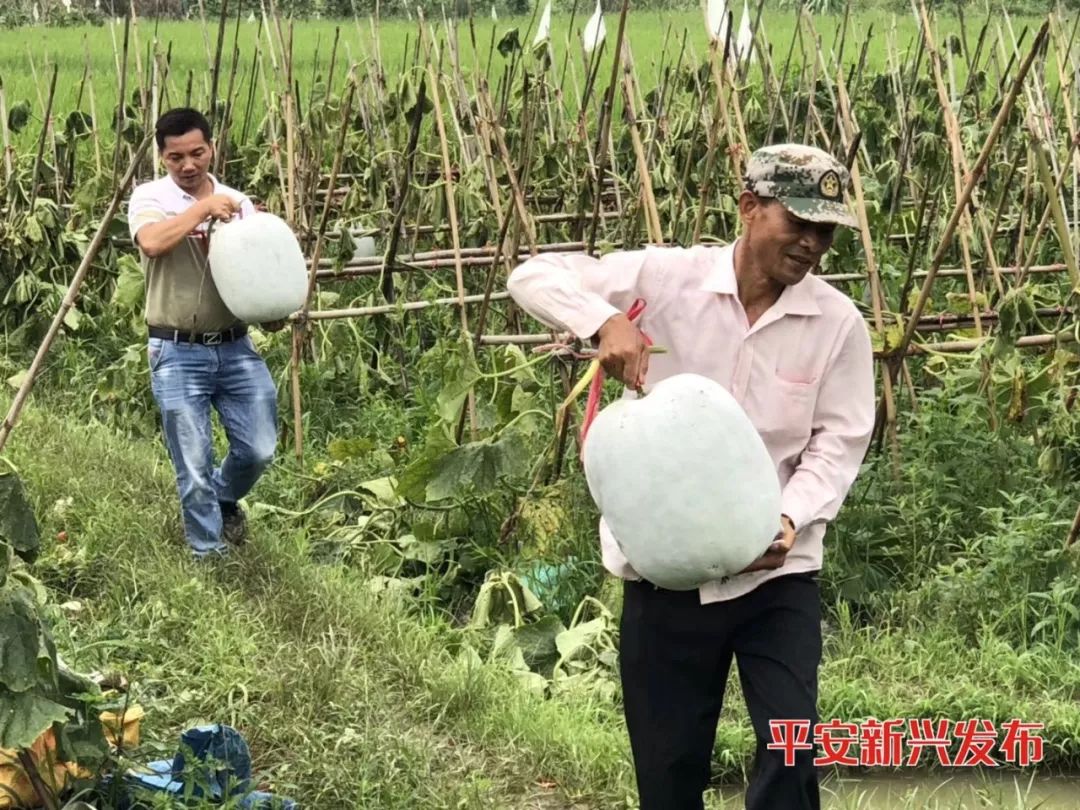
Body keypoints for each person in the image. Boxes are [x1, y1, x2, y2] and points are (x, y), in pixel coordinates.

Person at [506, 144, 876, 809]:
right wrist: (605, 319)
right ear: (749, 208)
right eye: (798, 222)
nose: (812, 244)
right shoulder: (666, 278)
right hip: (665, 578)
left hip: (778, 577)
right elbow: (532, 275)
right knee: (670, 773)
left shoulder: (837, 325)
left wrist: (789, 519)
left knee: (791, 754)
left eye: (825, 231)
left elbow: (839, 442)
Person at [126, 107, 282, 560]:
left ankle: (222, 498)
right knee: (192, 463)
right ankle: (209, 554)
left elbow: (256, 270)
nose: (189, 164)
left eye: (197, 153)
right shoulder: (149, 198)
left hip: (235, 345)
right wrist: (201, 211)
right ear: (162, 157)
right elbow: (152, 243)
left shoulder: (238, 201)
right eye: (177, 157)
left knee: (259, 448)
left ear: (212, 147)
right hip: (175, 349)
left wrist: (272, 308)